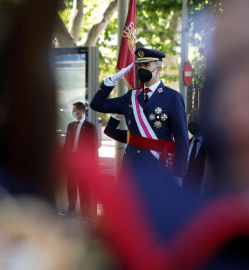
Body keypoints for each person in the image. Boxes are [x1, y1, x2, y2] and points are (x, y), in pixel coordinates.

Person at [90, 48, 189, 180]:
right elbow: (97, 104)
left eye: (147, 65)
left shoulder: (172, 97)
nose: (141, 69)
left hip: (157, 166)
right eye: (140, 65)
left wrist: (178, 174)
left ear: (158, 69)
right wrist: (112, 80)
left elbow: (182, 139)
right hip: (131, 167)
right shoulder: (131, 96)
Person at [63, 102, 98, 220]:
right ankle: (71, 211)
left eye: (75, 110)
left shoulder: (90, 127)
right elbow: (66, 145)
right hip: (71, 161)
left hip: (83, 163)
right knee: (71, 187)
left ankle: (85, 214)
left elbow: (93, 148)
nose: (73, 112)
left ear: (81, 111)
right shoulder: (70, 126)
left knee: (84, 188)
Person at [182, 108, 206, 195]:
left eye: (195, 119)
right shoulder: (186, 144)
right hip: (186, 194)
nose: (191, 122)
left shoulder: (210, 146)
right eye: (190, 119)